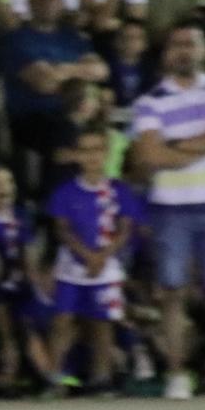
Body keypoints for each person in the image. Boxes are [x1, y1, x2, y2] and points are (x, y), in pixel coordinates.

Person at [127, 21, 205, 401]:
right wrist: (204, 144)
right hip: (170, 208)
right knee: (172, 292)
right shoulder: (149, 101)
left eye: (191, 43)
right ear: (167, 53)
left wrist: (176, 145)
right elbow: (150, 156)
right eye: (177, 44)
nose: (184, 50)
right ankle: (176, 372)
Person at [44, 126, 140, 395]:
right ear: (76, 155)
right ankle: (55, 377)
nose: (92, 156)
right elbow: (62, 229)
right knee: (63, 320)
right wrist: (87, 255)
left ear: (106, 153)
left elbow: (125, 228)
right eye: (85, 151)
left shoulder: (118, 190)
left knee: (102, 322)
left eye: (97, 150)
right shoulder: (65, 191)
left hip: (106, 269)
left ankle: (102, 377)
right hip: (71, 268)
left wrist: (103, 256)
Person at [0, 0, 108, 179]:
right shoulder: (17, 39)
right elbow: (44, 84)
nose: (49, 2)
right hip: (33, 118)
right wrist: (79, 71)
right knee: (67, 131)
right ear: (30, 1)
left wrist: (59, 70)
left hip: (76, 113)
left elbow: (101, 71)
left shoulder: (72, 37)